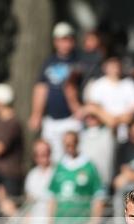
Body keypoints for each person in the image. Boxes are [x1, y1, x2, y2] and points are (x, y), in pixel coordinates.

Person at [29, 22, 82, 160]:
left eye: (67, 39)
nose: (64, 43)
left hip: (72, 118)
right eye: (60, 40)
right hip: (51, 120)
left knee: (73, 156)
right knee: (52, 158)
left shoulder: (79, 60)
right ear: (55, 42)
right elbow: (41, 87)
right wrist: (36, 114)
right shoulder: (48, 62)